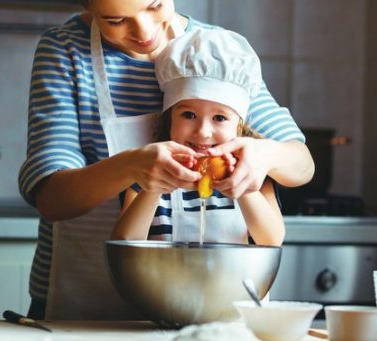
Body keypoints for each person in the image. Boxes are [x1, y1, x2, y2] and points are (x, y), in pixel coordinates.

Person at [18, 0, 313, 320]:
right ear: (87, 6)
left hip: (205, 307)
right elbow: (52, 199)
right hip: (85, 306)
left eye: (156, 5)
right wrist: (134, 167)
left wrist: (263, 154)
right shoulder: (65, 52)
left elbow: (301, 165)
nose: (144, 33)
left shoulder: (215, 53)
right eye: (116, 20)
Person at [111, 26, 285, 246]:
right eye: (189, 114)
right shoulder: (149, 172)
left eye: (220, 118)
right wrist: (153, 189)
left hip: (236, 281)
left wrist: (242, 188)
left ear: (239, 127)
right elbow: (126, 242)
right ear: (169, 118)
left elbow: (271, 240)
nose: (203, 131)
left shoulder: (255, 175)